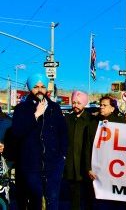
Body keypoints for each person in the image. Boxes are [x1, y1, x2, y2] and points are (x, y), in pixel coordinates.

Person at [12, 73, 68, 210]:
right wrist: (36, 115)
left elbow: (63, 133)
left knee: (53, 199)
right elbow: (17, 132)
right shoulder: (22, 109)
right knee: (35, 201)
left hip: (53, 164)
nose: (40, 90)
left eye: (42, 86)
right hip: (31, 165)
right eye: (36, 87)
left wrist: (62, 156)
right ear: (30, 89)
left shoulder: (55, 107)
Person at [85, 95, 126, 209]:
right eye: (100, 105)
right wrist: (88, 168)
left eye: (104, 105)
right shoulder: (93, 124)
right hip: (98, 170)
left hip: (116, 170)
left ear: (112, 108)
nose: (101, 107)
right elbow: (88, 147)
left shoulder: (121, 123)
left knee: (116, 202)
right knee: (100, 202)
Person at [63, 90, 91, 210]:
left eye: (78, 103)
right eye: (73, 102)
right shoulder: (67, 118)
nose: (75, 105)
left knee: (88, 195)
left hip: (85, 164)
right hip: (71, 164)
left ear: (84, 104)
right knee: (74, 195)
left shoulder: (91, 119)